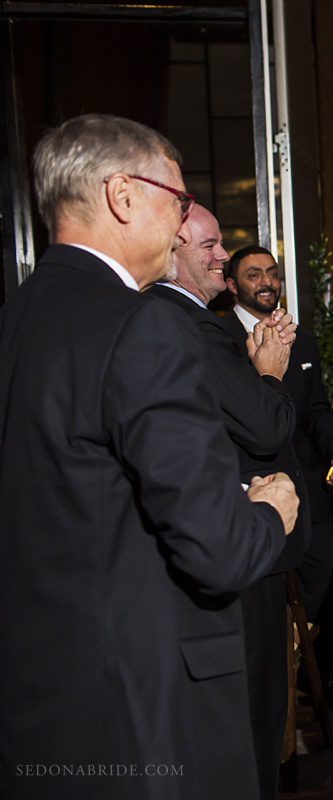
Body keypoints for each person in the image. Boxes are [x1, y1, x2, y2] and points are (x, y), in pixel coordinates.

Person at [0, 114, 299, 800]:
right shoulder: (144, 324)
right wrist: (267, 512)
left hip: (43, 703)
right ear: (123, 196)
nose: (183, 217)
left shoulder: (16, 321)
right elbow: (218, 549)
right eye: (180, 199)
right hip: (145, 716)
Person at [147, 208, 310, 798]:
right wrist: (267, 375)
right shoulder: (192, 326)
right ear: (172, 250)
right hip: (244, 542)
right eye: (210, 245)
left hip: (228, 540)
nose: (222, 256)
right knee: (255, 714)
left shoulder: (178, 321)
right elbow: (265, 430)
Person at [222, 245, 333, 713]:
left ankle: (320, 676)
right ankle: (270, 702)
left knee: (326, 591)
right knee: (268, 607)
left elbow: (317, 408)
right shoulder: (219, 340)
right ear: (231, 285)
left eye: (272, 273)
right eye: (253, 274)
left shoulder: (296, 338)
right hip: (255, 497)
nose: (266, 281)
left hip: (309, 491)